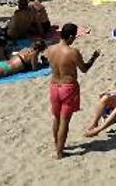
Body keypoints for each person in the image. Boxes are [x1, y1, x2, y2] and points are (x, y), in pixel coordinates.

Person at [46, 22, 100, 159]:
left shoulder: (50, 49)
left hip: (54, 86)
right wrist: (94, 58)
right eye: (74, 36)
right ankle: (60, 152)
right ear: (70, 36)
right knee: (65, 120)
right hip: (68, 88)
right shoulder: (72, 52)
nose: (75, 39)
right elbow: (84, 69)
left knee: (56, 118)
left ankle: (57, 145)